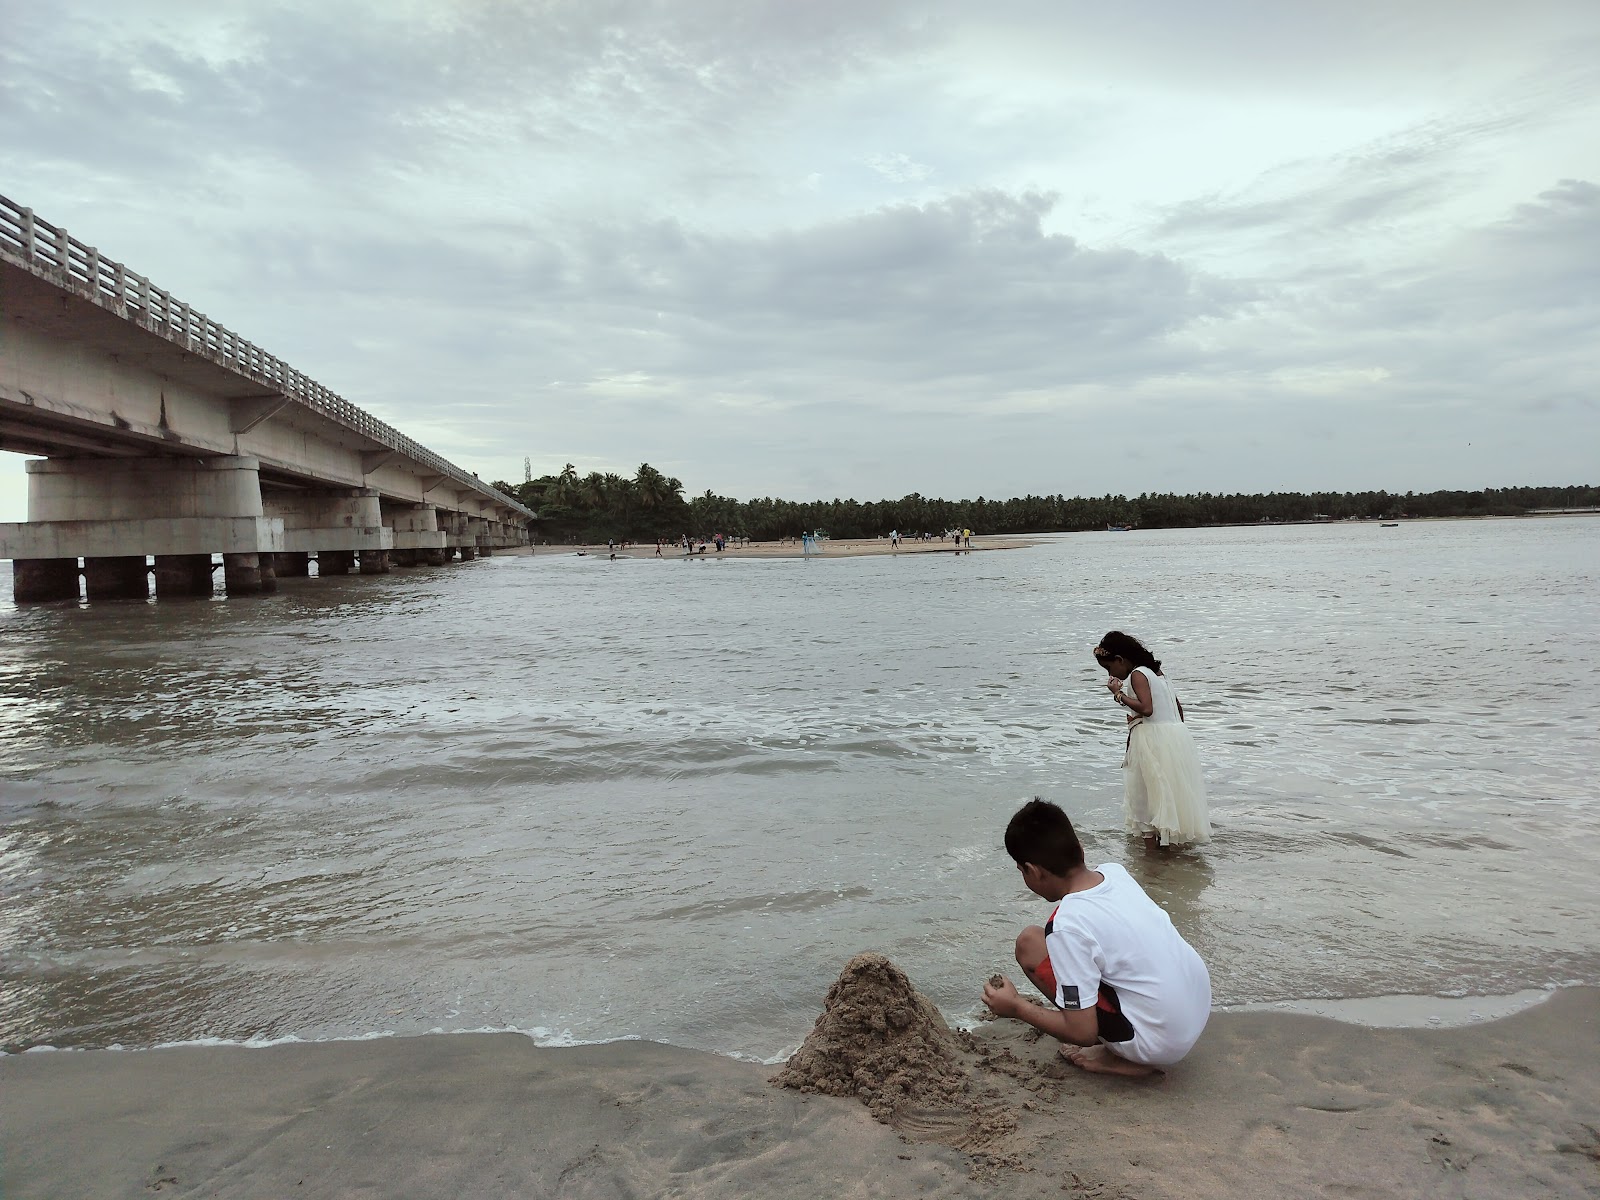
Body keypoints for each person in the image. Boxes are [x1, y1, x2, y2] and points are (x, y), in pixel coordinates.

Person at [981, 798, 1211, 1077]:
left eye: (1022, 872)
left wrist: (1017, 1006)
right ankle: (1129, 1035)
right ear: (1079, 849)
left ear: (1032, 871)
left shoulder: (1067, 925)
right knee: (1038, 940)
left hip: (1160, 1041)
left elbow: (1082, 1031)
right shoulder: (1115, 873)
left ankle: (1121, 1058)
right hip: (1197, 1007)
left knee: (1029, 948)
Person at [1094, 630, 1210, 849]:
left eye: (1109, 668)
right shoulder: (1158, 674)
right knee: (1167, 795)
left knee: (1144, 798)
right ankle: (1170, 852)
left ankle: (1152, 860)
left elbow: (1147, 709)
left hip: (1151, 740)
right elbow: (1177, 708)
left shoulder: (1137, 674)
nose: (1112, 674)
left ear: (1120, 659)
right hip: (1173, 737)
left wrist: (1118, 695)